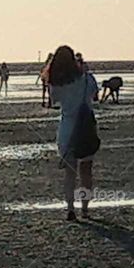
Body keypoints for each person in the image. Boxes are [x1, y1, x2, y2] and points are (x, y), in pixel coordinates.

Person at [48, 46, 99, 220]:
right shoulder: (86, 79)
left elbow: (54, 100)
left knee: (70, 173)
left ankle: (70, 208)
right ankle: (85, 208)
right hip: (85, 127)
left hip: (67, 129)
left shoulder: (56, 83)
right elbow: (94, 94)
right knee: (86, 171)